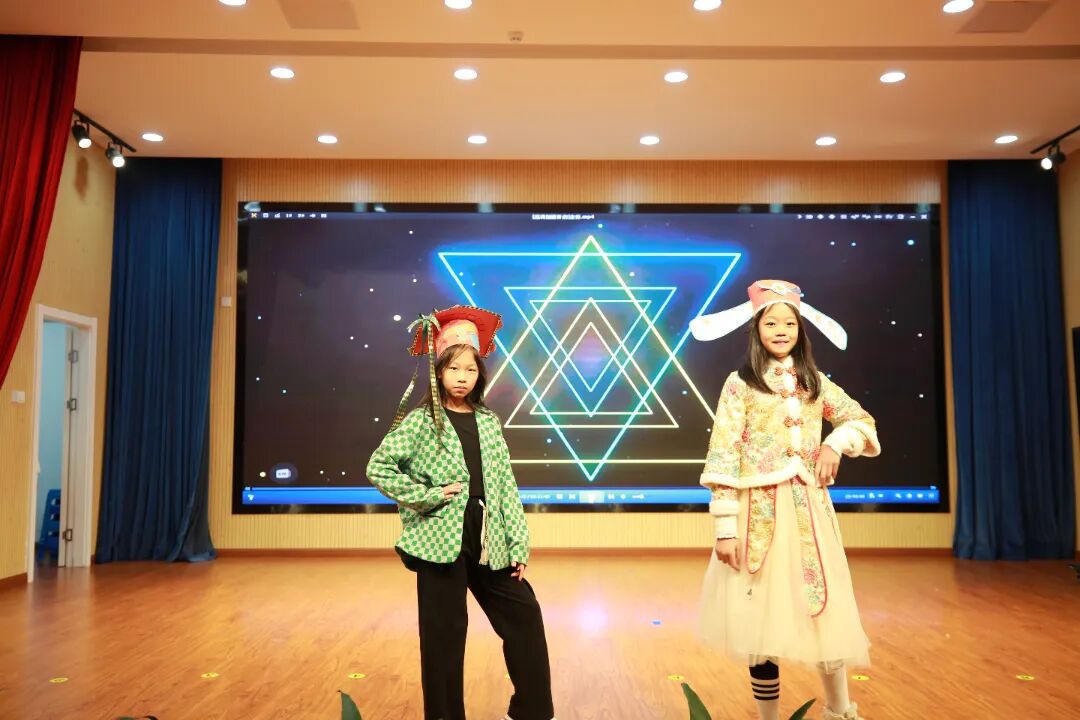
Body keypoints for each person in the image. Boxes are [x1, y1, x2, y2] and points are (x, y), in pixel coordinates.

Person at [689, 280, 881, 720]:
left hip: (809, 514)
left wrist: (835, 444)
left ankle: (840, 711)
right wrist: (724, 528)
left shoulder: (815, 382)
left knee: (825, 611)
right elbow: (724, 453)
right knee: (758, 620)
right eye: (771, 323)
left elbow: (860, 420)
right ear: (756, 330)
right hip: (756, 517)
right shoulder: (740, 384)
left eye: (789, 323)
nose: (780, 330)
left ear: (801, 329)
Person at [367, 305, 556, 720]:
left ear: (479, 375)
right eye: (453, 368)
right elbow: (378, 467)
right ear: (438, 372)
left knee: (524, 614)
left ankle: (532, 711)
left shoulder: (488, 421)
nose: (462, 377)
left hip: (489, 537)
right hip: (440, 539)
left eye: (470, 369)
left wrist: (519, 544)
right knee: (444, 638)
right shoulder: (422, 421)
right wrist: (428, 496)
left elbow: (506, 486)